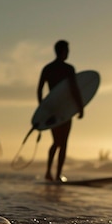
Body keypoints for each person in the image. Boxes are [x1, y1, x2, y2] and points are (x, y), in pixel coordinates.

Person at [37, 40, 84, 181]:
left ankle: (48, 173)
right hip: (65, 110)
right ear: (62, 51)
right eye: (67, 50)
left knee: (56, 142)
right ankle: (57, 175)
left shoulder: (48, 68)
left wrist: (42, 108)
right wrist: (80, 107)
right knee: (63, 143)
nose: (68, 53)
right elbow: (74, 89)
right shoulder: (69, 69)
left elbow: (39, 89)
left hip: (52, 110)